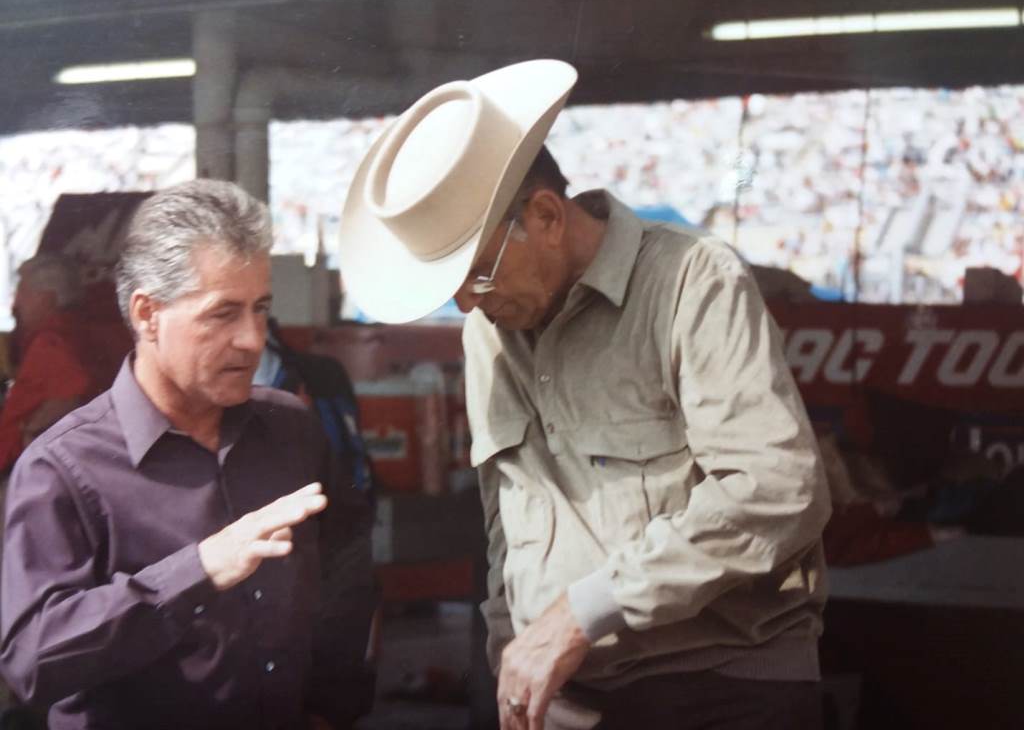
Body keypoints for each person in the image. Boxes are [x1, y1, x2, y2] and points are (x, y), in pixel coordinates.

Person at [339, 60, 832, 729]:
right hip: (568, 694)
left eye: (476, 273)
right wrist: (510, 654)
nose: (464, 304)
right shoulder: (492, 324)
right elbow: (506, 514)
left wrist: (582, 613)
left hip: (722, 683)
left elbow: (776, 488)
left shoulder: (692, 282)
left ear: (545, 216)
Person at [0, 179, 374, 729]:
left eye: (260, 308)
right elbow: (33, 660)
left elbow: (347, 572)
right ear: (147, 314)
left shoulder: (291, 429)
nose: (252, 338)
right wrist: (198, 570)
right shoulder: (63, 469)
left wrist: (331, 708)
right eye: (223, 314)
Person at [0, 254, 128, 475]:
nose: (17, 303)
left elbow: (74, 395)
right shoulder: (88, 332)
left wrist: (31, 434)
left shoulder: (52, 342)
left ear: (46, 298)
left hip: (27, 470)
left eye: (23, 293)